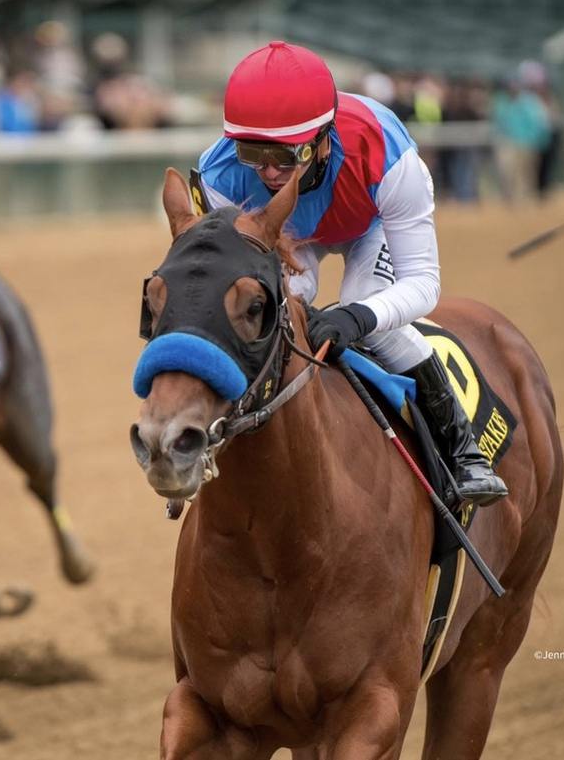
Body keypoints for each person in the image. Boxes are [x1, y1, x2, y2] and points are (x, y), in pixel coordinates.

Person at [196, 41, 506, 504]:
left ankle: (463, 451)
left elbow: (422, 282)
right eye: (251, 152)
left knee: (377, 321)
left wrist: (355, 317)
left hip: (369, 226)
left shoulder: (385, 149)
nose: (268, 172)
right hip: (288, 238)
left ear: (324, 137)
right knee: (273, 314)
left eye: (286, 156)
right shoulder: (219, 175)